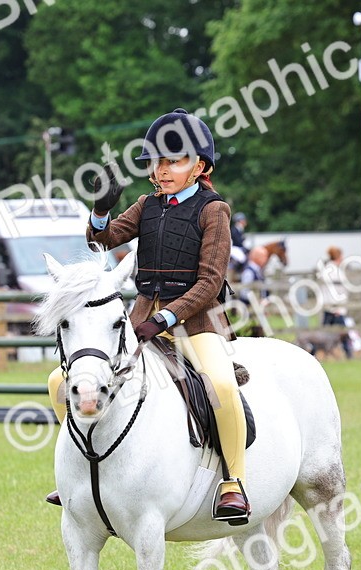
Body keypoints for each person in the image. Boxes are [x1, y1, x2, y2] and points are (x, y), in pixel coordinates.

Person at [45, 107, 251, 521]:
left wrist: (164, 319)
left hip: (196, 323)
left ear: (199, 166)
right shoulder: (146, 206)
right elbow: (102, 241)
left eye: (172, 161)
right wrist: (100, 209)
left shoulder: (215, 211)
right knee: (57, 381)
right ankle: (81, 466)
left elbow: (209, 283)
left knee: (222, 388)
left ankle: (233, 482)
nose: (162, 170)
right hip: (139, 320)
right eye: (157, 162)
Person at [316, 246, 352, 358]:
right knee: (343, 333)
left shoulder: (328, 270)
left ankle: (314, 354)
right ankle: (349, 355)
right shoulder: (334, 271)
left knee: (324, 333)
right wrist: (338, 308)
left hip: (329, 307)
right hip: (335, 308)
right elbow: (336, 291)